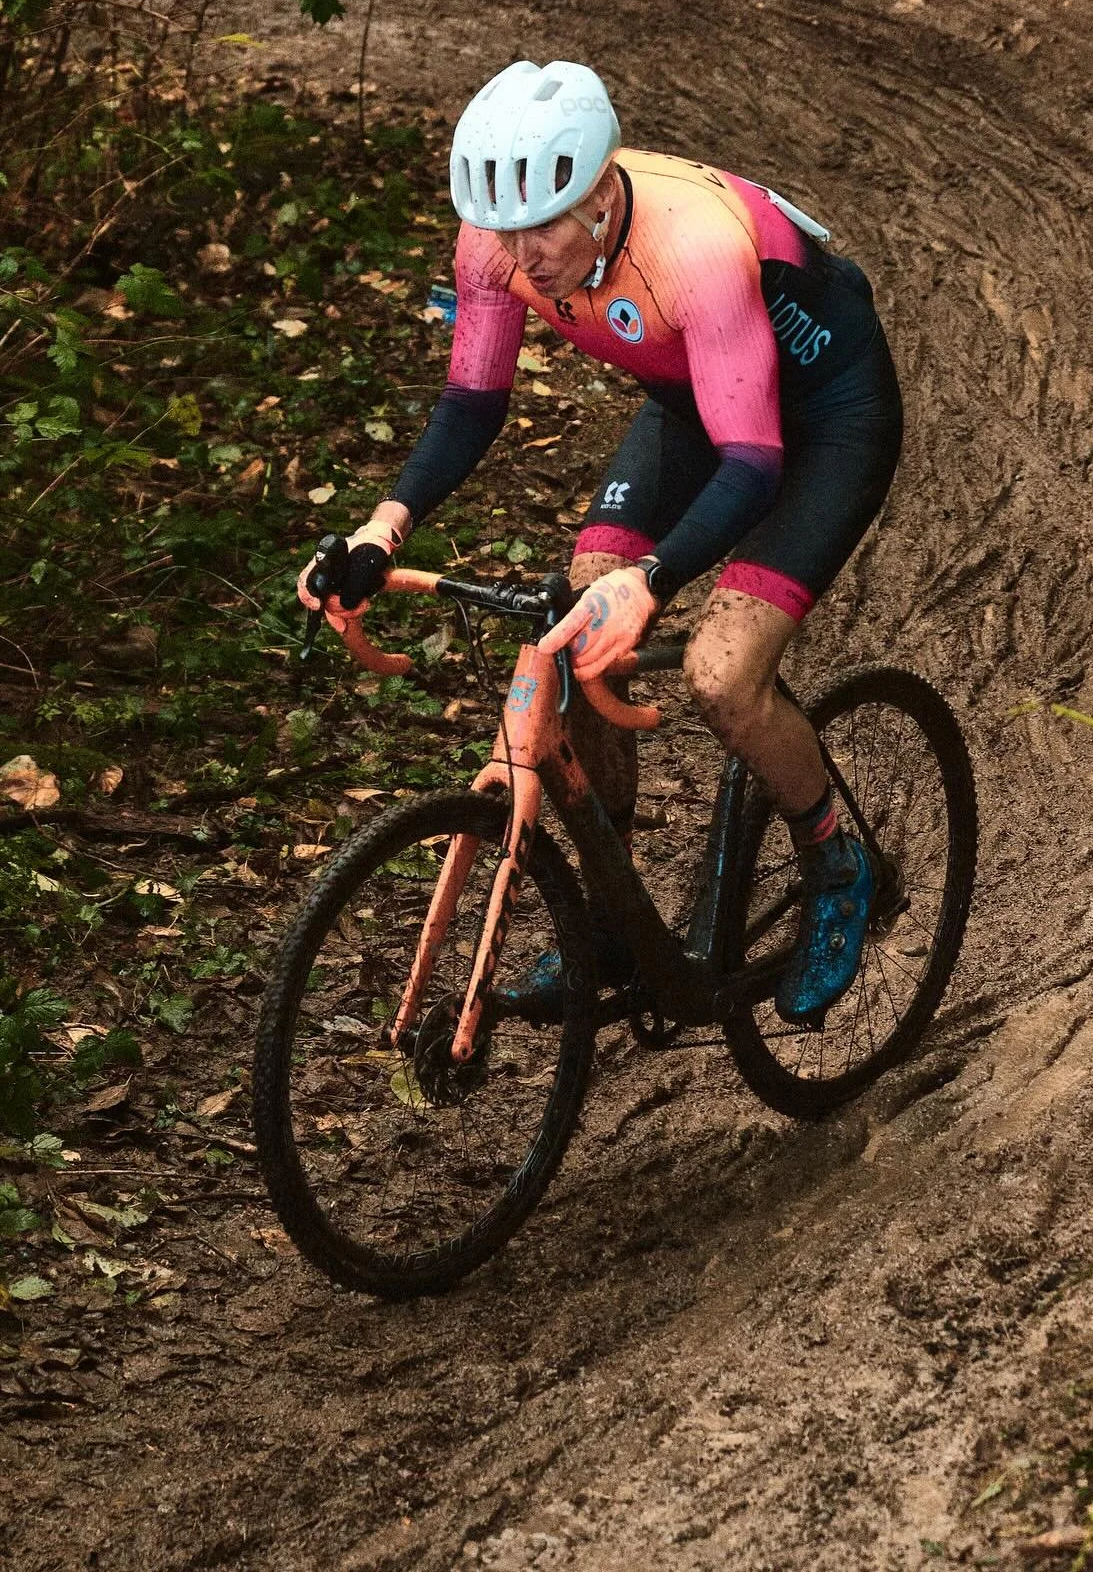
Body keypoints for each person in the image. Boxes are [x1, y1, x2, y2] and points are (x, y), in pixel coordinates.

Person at [297, 60, 903, 1027]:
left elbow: (752, 465)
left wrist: (656, 580)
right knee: (578, 613)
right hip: (699, 403)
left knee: (720, 672)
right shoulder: (497, 242)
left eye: (545, 226)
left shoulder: (692, 247)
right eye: (505, 229)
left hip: (827, 416)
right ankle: (619, 910)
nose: (522, 256)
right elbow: (471, 403)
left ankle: (837, 860)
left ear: (602, 195)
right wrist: (384, 525)